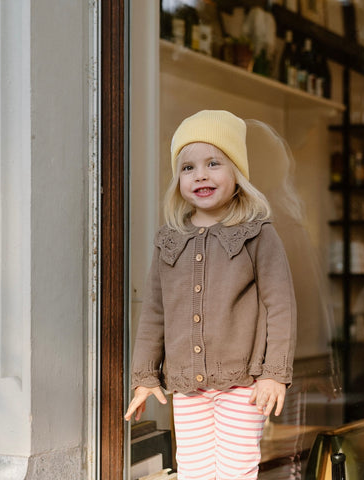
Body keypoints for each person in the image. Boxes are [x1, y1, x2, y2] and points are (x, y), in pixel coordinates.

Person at [125, 110, 297, 480]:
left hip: (243, 384)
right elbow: (154, 313)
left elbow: (280, 306)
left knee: (236, 471)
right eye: (187, 167)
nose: (200, 174)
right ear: (178, 180)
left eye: (213, 163)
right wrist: (145, 376)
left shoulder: (258, 234)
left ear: (237, 172)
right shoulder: (168, 240)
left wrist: (274, 374)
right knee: (194, 471)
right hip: (187, 386)